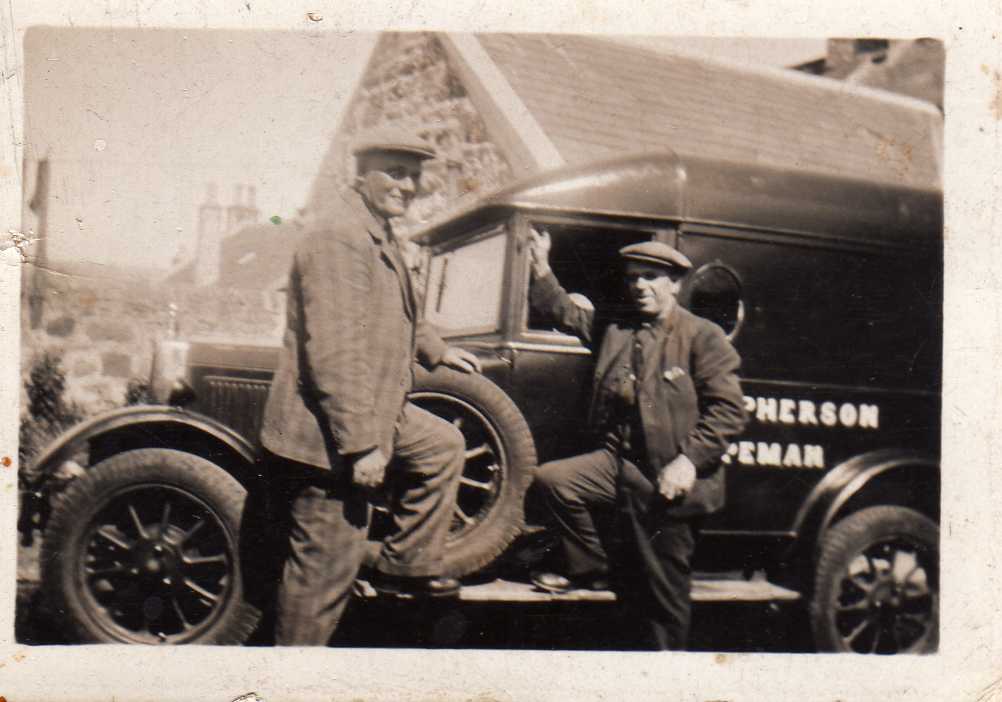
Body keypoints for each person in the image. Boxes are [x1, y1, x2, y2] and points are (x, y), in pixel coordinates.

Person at [259, 127, 483, 646]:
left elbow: (395, 309)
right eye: (395, 172)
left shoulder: (373, 230)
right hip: (326, 439)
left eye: (414, 175)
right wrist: (362, 445)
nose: (408, 185)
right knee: (322, 576)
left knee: (444, 447)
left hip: (379, 409)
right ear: (360, 175)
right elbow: (336, 352)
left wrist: (437, 348)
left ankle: (400, 572)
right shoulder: (339, 236)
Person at [527, 227, 748, 650]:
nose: (639, 286)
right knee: (555, 481)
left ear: (675, 284)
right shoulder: (616, 327)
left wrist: (687, 462)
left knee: (662, 600)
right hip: (618, 465)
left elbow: (729, 411)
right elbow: (563, 311)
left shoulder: (702, 336)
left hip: (667, 478)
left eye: (650, 277)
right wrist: (541, 267)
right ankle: (594, 568)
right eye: (633, 278)